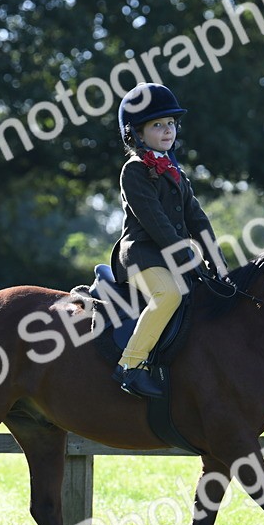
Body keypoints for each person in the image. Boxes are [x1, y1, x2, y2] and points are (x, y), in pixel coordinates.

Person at [108, 82, 227, 398]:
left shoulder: (175, 172)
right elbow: (156, 223)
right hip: (142, 255)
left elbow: (196, 218)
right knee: (170, 295)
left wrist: (218, 262)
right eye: (158, 125)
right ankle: (130, 366)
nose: (167, 130)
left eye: (171, 124)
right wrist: (184, 255)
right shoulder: (133, 171)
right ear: (135, 133)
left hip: (174, 254)